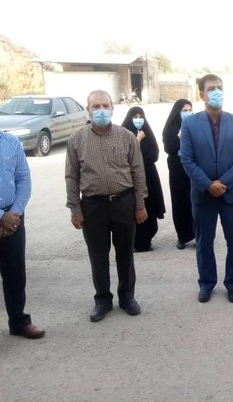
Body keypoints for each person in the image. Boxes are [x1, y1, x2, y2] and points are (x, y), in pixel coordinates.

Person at [65, 90, 148, 322]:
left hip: (124, 202)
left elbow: (138, 171)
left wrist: (140, 204)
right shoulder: (76, 139)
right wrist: (75, 208)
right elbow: (71, 176)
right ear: (88, 110)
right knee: (98, 256)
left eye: (105, 105)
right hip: (93, 206)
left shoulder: (127, 137)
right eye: (96, 106)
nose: (101, 110)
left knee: (125, 254)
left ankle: (127, 297)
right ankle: (102, 300)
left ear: (112, 108)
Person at [0, 87, 45, 362]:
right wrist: (0, 216)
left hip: (14, 219)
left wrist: (15, 213)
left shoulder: (11, 142)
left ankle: (19, 322)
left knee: (16, 275)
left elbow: (24, 180)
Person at [180, 74, 233, 304]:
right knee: (204, 243)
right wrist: (208, 185)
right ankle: (206, 283)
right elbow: (187, 159)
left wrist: (223, 183)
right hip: (203, 195)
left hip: (231, 194)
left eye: (220, 87)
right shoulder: (189, 123)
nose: (217, 92)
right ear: (202, 94)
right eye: (212, 88)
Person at [121, 106, 166, 252]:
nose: (138, 120)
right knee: (135, 207)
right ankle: (134, 242)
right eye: (135, 117)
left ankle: (147, 240)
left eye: (141, 117)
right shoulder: (123, 134)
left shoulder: (147, 132)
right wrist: (137, 141)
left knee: (149, 206)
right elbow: (125, 157)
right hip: (130, 177)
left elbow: (154, 154)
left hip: (149, 175)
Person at [162, 99, 195, 249]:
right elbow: (169, 148)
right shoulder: (170, 127)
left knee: (195, 201)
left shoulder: (196, 125)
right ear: (177, 112)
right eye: (184, 111)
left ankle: (197, 233)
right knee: (180, 201)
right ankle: (182, 236)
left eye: (189, 110)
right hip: (177, 169)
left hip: (194, 169)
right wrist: (179, 136)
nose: (188, 113)